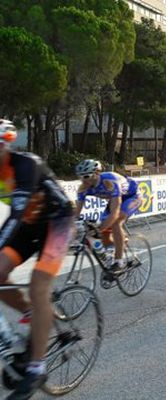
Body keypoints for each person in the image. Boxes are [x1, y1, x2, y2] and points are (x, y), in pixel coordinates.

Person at [0, 119, 74, 399]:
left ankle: (36, 367)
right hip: (29, 227)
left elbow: (16, 214)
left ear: (5, 145)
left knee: (38, 286)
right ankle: (34, 316)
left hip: (58, 222)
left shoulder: (25, 165)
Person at [74, 159, 142, 273]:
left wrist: (99, 229)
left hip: (132, 197)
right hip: (114, 199)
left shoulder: (109, 181)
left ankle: (119, 262)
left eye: (86, 176)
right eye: (80, 177)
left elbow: (115, 213)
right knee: (104, 236)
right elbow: (76, 213)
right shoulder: (83, 188)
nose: (82, 180)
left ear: (96, 173)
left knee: (115, 222)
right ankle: (119, 244)